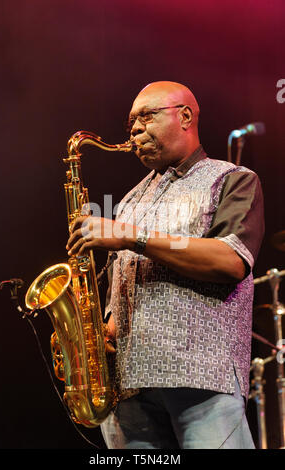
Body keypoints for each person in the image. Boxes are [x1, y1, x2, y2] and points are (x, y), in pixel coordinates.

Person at [66, 81, 264, 449]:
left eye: (146, 117)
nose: (136, 130)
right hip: (127, 387)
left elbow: (231, 260)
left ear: (185, 116)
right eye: (131, 125)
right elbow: (119, 287)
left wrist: (131, 237)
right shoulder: (128, 200)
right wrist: (93, 332)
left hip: (201, 379)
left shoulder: (232, 179)